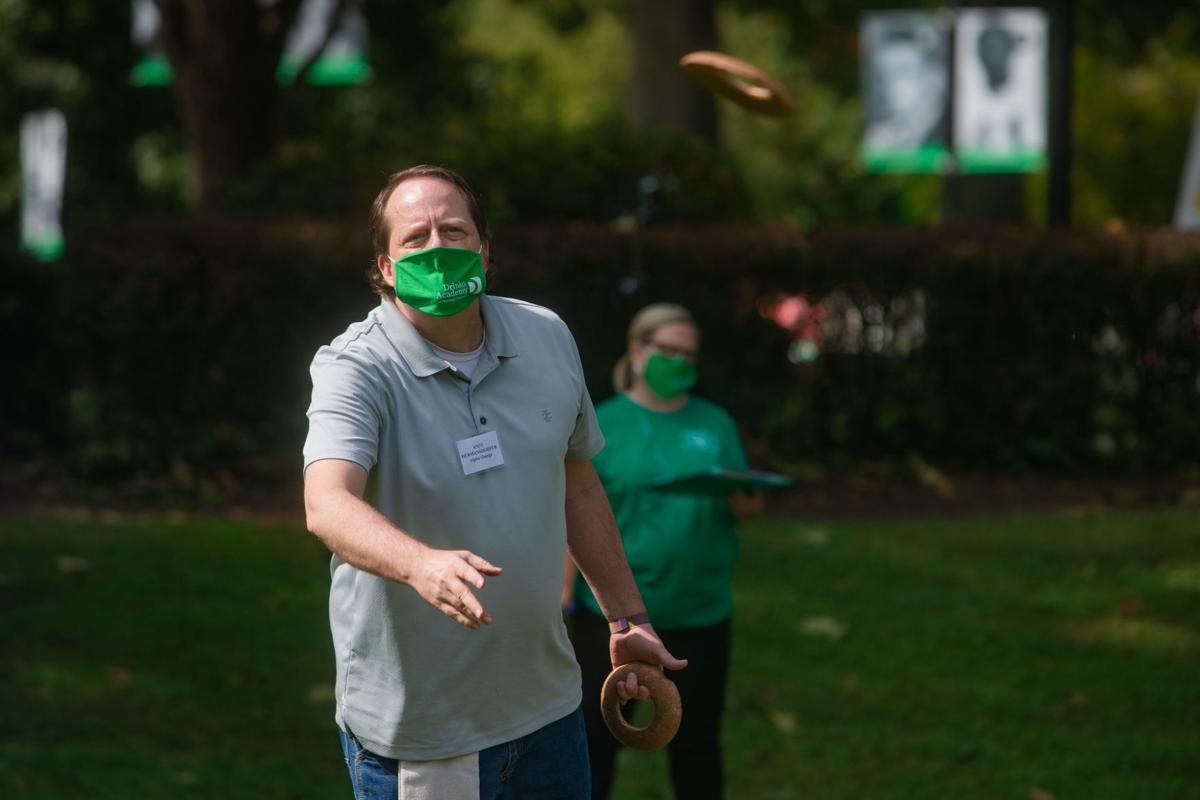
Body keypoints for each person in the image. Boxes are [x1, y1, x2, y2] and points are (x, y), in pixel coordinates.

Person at [302, 165, 686, 799]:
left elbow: (578, 481)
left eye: (454, 231)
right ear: (386, 266)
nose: (437, 248)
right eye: (415, 238)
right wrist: (421, 564)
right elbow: (326, 504)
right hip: (428, 730)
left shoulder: (546, 336)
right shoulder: (356, 366)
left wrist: (625, 618)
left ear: (485, 248)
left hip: (550, 709)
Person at [566, 303, 763, 800]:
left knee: (697, 749)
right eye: (668, 350)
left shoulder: (714, 421)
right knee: (594, 745)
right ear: (637, 351)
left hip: (700, 611)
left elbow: (744, 506)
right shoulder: (601, 423)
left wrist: (748, 498)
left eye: (688, 355)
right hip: (614, 620)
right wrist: (563, 593)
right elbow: (574, 513)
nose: (680, 362)